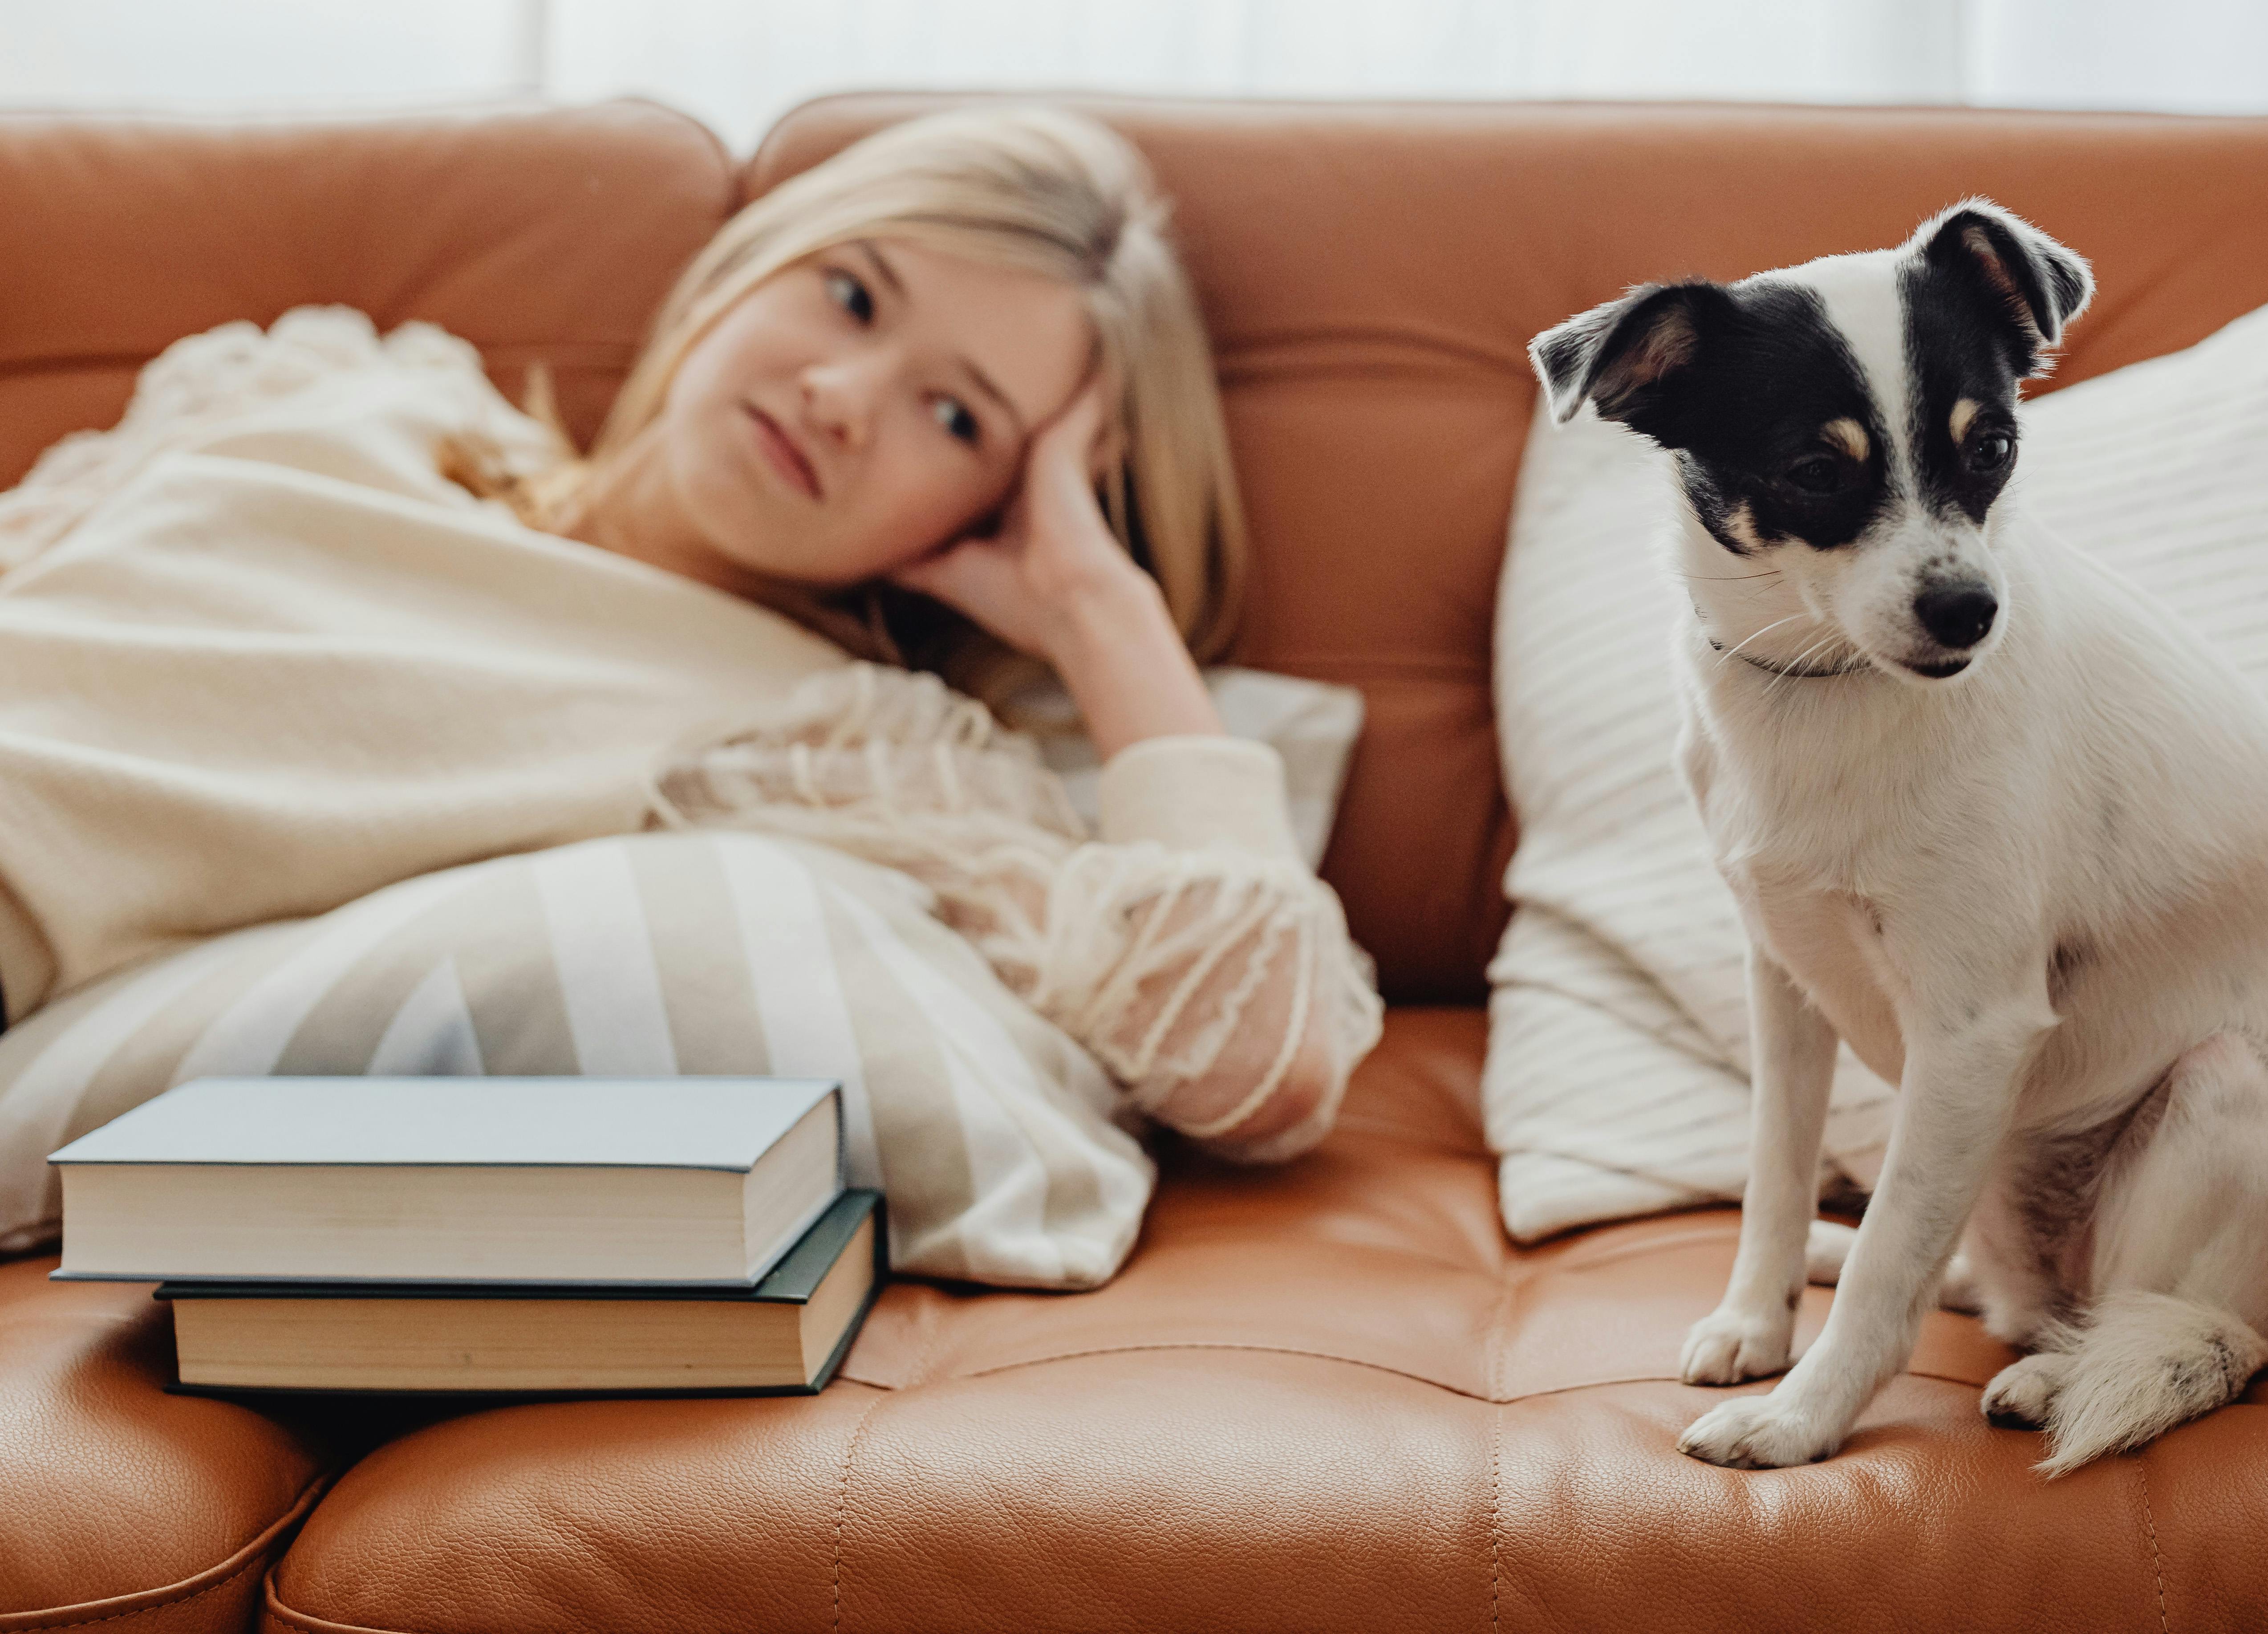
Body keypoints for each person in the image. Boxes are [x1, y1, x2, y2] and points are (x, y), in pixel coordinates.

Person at [0, 107, 1377, 1165]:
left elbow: (1253, 1057)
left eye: (955, 418)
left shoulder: (820, 740)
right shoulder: (337, 386)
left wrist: (1098, 610)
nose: (843, 395)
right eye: (850, 295)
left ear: (1002, 500)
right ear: (755, 264)